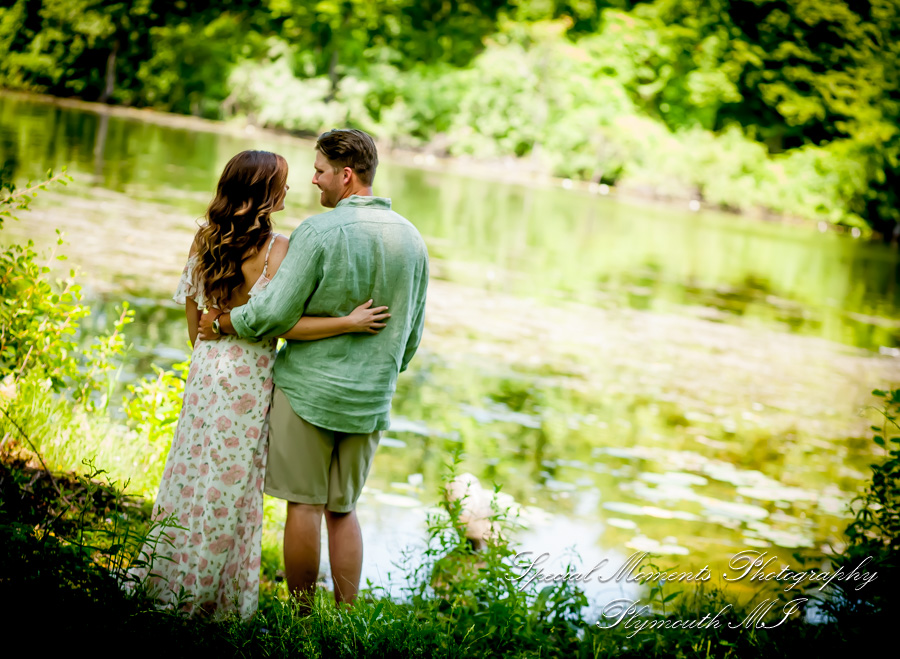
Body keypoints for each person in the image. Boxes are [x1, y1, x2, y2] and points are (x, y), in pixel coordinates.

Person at [130, 150, 389, 621]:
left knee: (191, 474)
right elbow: (284, 322)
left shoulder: (204, 239)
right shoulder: (279, 249)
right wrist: (347, 322)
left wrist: (216, 335)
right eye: (284, 183)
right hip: (251, 379)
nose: (292, 189)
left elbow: (196, 329)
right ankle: (213, 595)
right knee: (233, 489)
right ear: (264, 193)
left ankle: (170, 573)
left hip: (207, 373)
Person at [198, 128, 429, 610]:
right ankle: (343, 620)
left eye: (320, 171)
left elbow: (273, 314)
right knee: (344, 509)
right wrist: (380, 370)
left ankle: (301, 617)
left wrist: (223, 321)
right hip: (370, 398)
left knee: (303, 504)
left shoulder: (318, 233)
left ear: (346, 176)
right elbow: (410, 337)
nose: (313, 181)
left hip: (308, 394)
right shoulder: (412, 239)